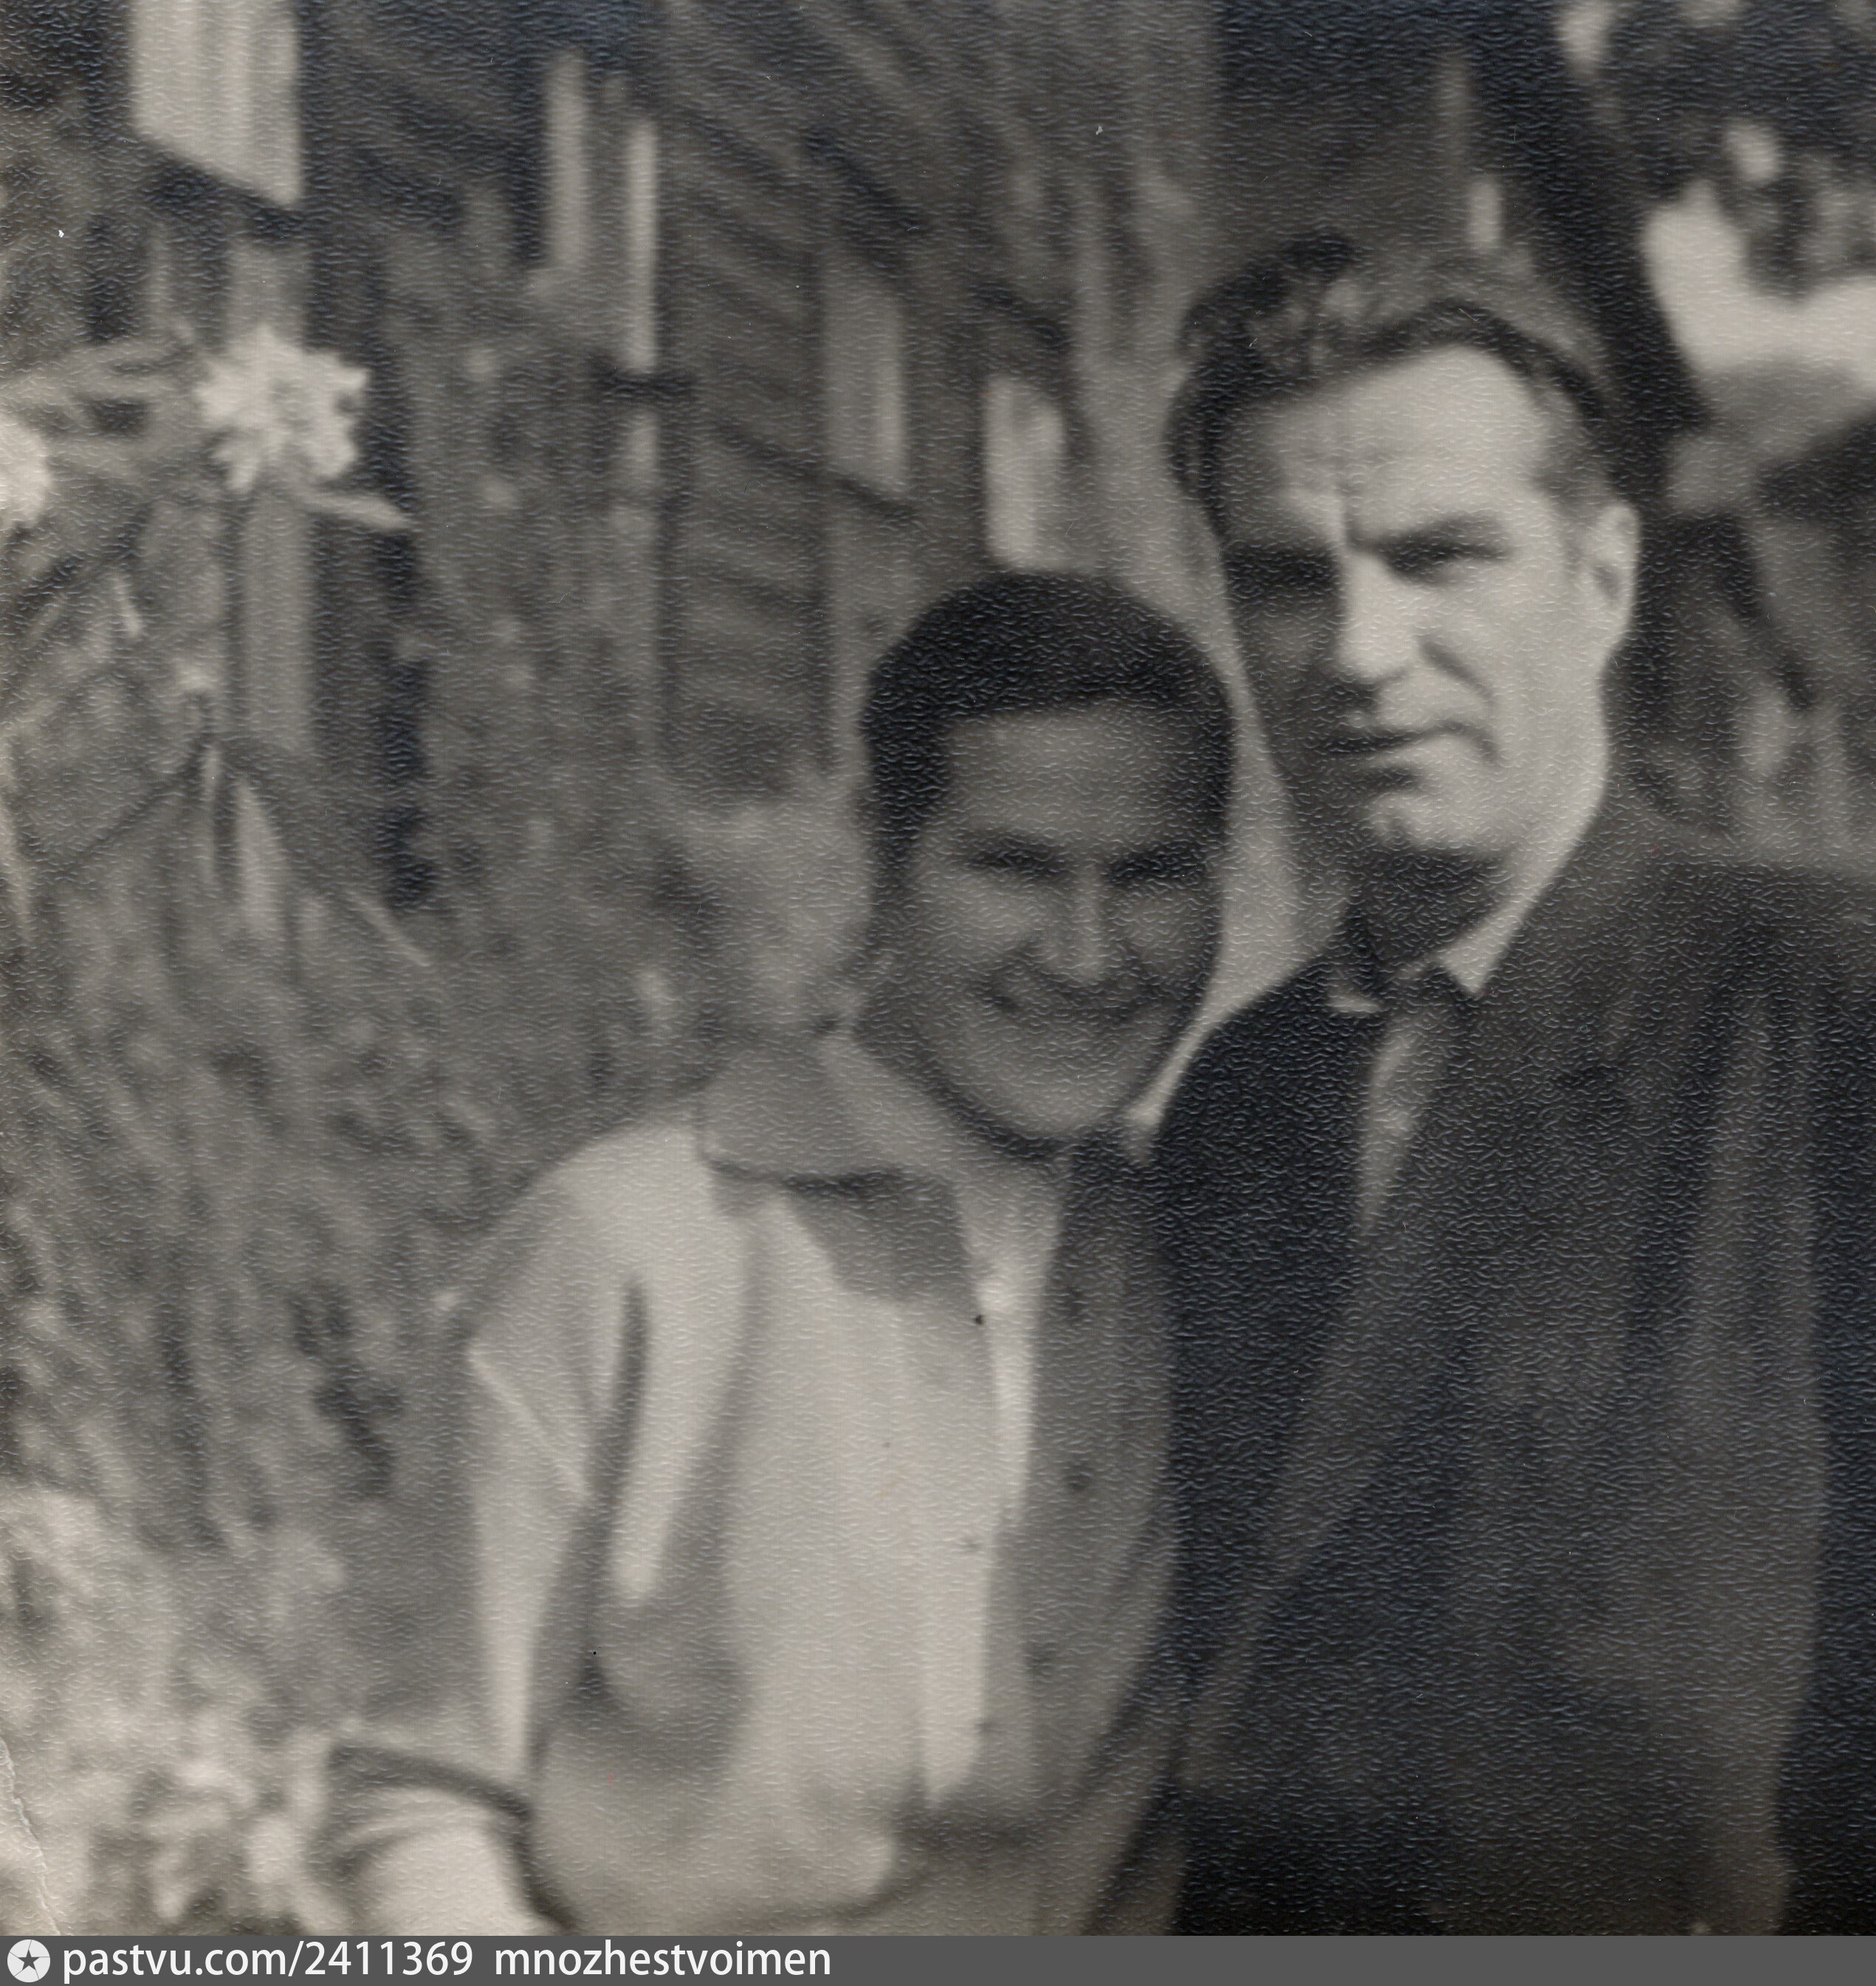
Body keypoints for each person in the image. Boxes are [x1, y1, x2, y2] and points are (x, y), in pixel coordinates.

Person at [1150, 236, 1876, 1934]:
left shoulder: (1875, 1006)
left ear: (1602, 580)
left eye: (1442, 556)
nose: (1359, 650)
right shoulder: (1241, 1100)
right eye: (1288, 578)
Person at [322, 571, 1231, 1934]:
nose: (1088, 956)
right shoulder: (618, 1252)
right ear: (884, 859)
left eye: (1150, 873)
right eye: (1013, 867)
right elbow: (424, 1800)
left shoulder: (1215, 1241)